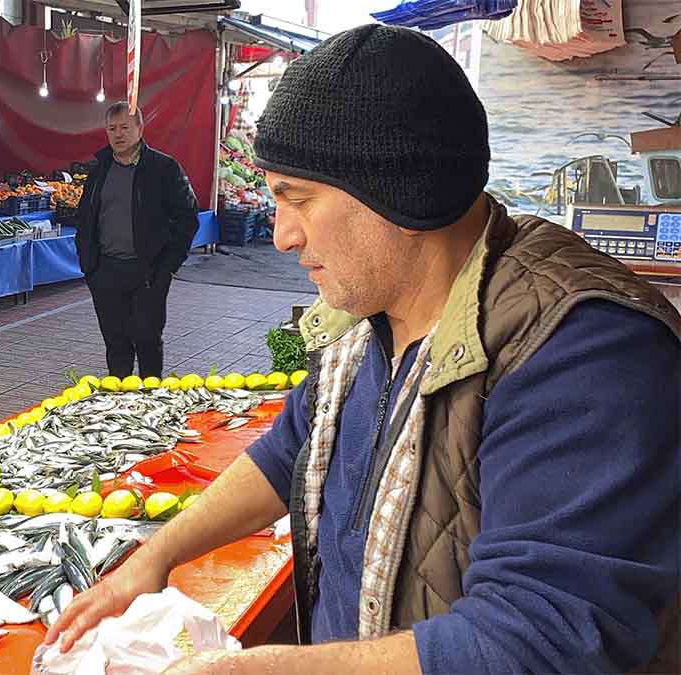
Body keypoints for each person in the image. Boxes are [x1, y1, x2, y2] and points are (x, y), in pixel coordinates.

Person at [46, 25, 681, 674]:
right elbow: (288, 447)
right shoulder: (367, 319)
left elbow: (538, 639)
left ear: (395, 189)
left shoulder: (583, 352)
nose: (283, 235)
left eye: (297, 198)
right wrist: (158, 554)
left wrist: (251, 669)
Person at [74, 102, 199, 379]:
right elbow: (84, 218)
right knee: (115, 342)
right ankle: (120, 401)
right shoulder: (98, 169)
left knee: (147, 340)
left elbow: (188, 219)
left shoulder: (164, 168)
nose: (118, 135)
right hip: (105, 271)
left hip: (149, 273)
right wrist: (88, 265)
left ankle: (151, 399)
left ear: (140, 129)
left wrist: (168, 266)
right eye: (112, 128)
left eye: (125, 128)